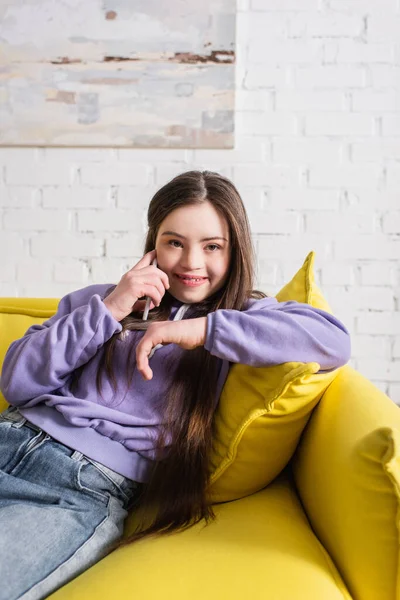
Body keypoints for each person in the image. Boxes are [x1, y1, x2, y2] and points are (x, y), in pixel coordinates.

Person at [0, 170, 351, 600]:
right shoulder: (100, 301)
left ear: (235, 249)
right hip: (9, 436)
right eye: (174, 242)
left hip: (80, 487)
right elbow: (18, 381)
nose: (191, 263)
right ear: (153, 244)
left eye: (212, 246)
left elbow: (333, 340)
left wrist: (202, 332)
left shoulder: (247, 319)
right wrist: (109, 309)